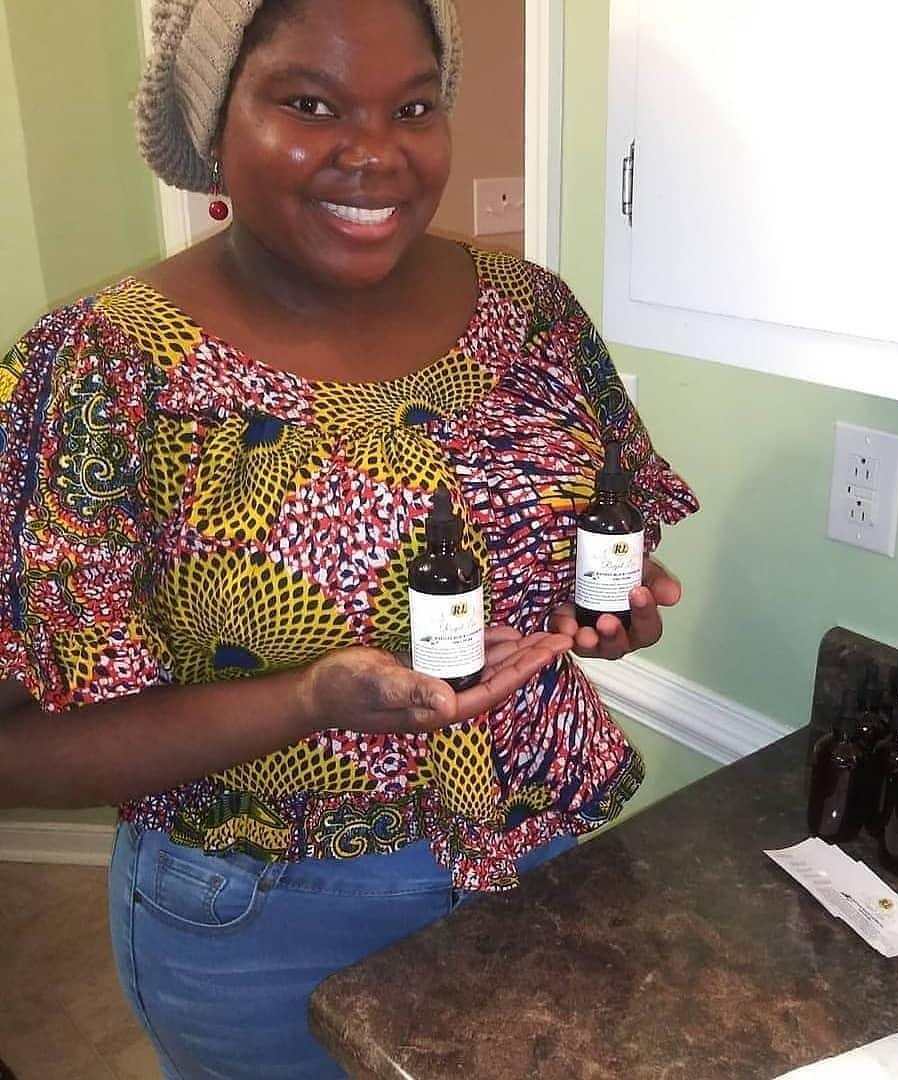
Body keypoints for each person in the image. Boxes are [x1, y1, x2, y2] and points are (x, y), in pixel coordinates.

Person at [0, 0, 699, 1075]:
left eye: (412, 105)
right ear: (214, 124)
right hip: (269, 920)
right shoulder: (100, 366)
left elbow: (601, 557)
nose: (375, 152)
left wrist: (610, 619)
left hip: (545, 853)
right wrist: (307, 700)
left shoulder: (534, 317)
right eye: (309, 102)